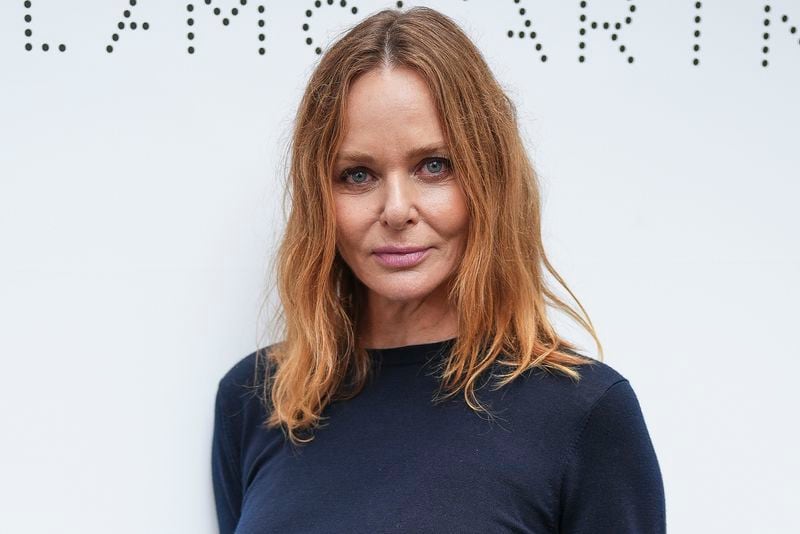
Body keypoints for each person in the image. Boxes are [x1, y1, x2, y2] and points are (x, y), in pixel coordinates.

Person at [211, 6, 666, 533]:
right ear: (319, 198)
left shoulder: (585, 415)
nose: (397, 209)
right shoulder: (256, 401)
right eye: (357, 174)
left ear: (488, 179)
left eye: (434, 166)